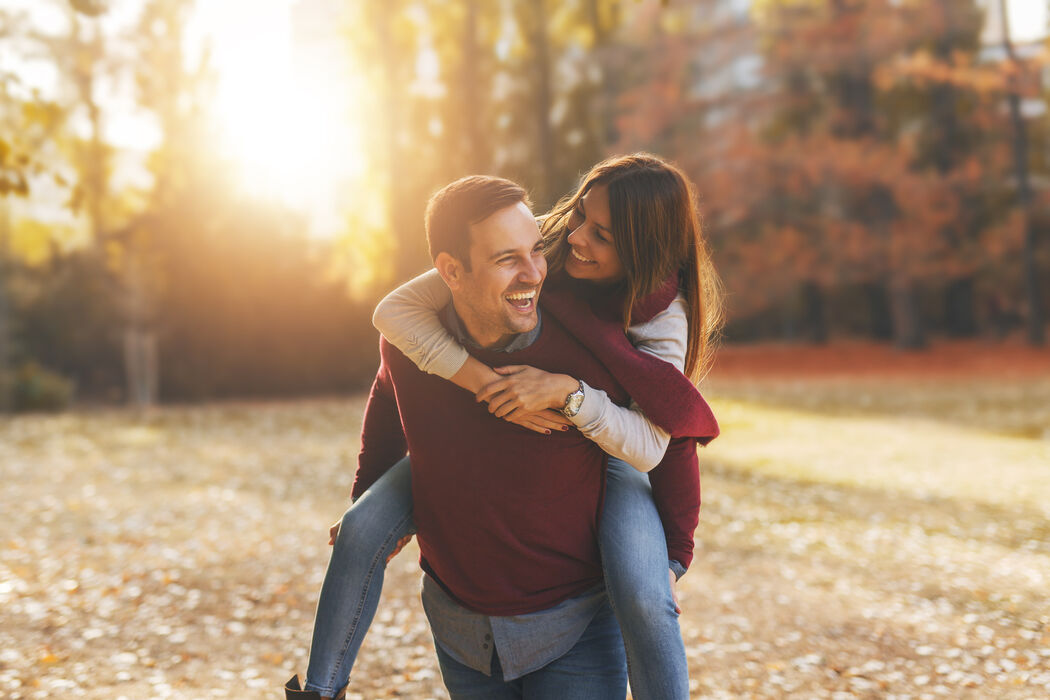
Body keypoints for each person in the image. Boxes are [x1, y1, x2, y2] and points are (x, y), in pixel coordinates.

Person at [288, 155, 722, 699]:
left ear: (639, 249)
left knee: (643, 590)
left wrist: (567, 393)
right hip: (466, 606)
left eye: (601, 234)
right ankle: (319, 690)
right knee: (359, 529)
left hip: (620, 445)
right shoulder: (549, 247)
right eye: (581, 215)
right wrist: (479, 381)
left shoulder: (659, 317)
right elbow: (392, 325)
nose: (576, 237)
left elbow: (659, 440)